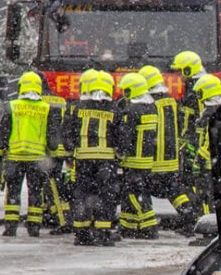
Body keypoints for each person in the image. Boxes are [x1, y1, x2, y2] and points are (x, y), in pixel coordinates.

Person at [0, 71, 61, 237]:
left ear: (21, 87)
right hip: (37, 160)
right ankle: (34, 226)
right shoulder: (46, 109)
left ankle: (11, 226)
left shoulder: (12, 106)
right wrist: (54, 156)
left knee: (13, 192)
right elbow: (52, 139)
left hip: (14, 159)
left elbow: (2, 134)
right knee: (36, 193)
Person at [62, 70, 120, 246]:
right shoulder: (114, 109)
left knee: (82, 194)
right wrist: (121, 152)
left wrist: (71, 151)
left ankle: (81, 233)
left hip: (83, 160)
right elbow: (121, 135)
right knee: (105, 195)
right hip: (106, 161)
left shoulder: (79, 108)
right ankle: (103, 232)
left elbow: (67, 132)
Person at [139, 65, 197, 232]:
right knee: (173, 190)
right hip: (171, 159)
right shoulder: (171, 100)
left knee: (141, 188)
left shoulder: (150, 103)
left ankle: (145, 224)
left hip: (154, 159)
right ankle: (189, 217)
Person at [115, 73, 160, 239]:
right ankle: (129, 226)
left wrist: (120, 154)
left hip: (134, 160)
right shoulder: (151, 107)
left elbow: (126, 137)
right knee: (140, 191)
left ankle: (149, 225)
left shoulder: (131, 111)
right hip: (147, 160)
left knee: (132, 193)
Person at [38, 74, 73, 234]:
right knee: (51, 183)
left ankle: (63, 219)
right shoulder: (59, 100)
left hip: (50, 150)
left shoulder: (40, 103)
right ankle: (52, 213)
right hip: (61, 147)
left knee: (52, 184)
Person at [191, 74, 221, 215]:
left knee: (206, 198)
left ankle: (208, 230)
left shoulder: (209, 114)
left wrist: (197, 162)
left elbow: (207, 143)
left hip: (208, 166)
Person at [170, 50, 206, 165]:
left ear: (187, 70)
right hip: (198, 139)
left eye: (180, 71)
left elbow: (189, 118)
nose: (179, 76)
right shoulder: (199, 85)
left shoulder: (195, 90)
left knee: (190, 173)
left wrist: (184, 139)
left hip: (195, 140)